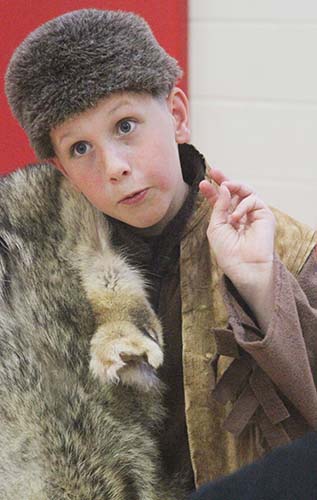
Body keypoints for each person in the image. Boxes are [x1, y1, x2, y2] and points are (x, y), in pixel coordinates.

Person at [2, 7, 317, 498]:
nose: (114, 166)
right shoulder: (32, 271)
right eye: (80, 149)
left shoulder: (289, 249)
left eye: (125, 125)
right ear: (61, 169)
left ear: (176, 115)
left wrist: (261, 288)